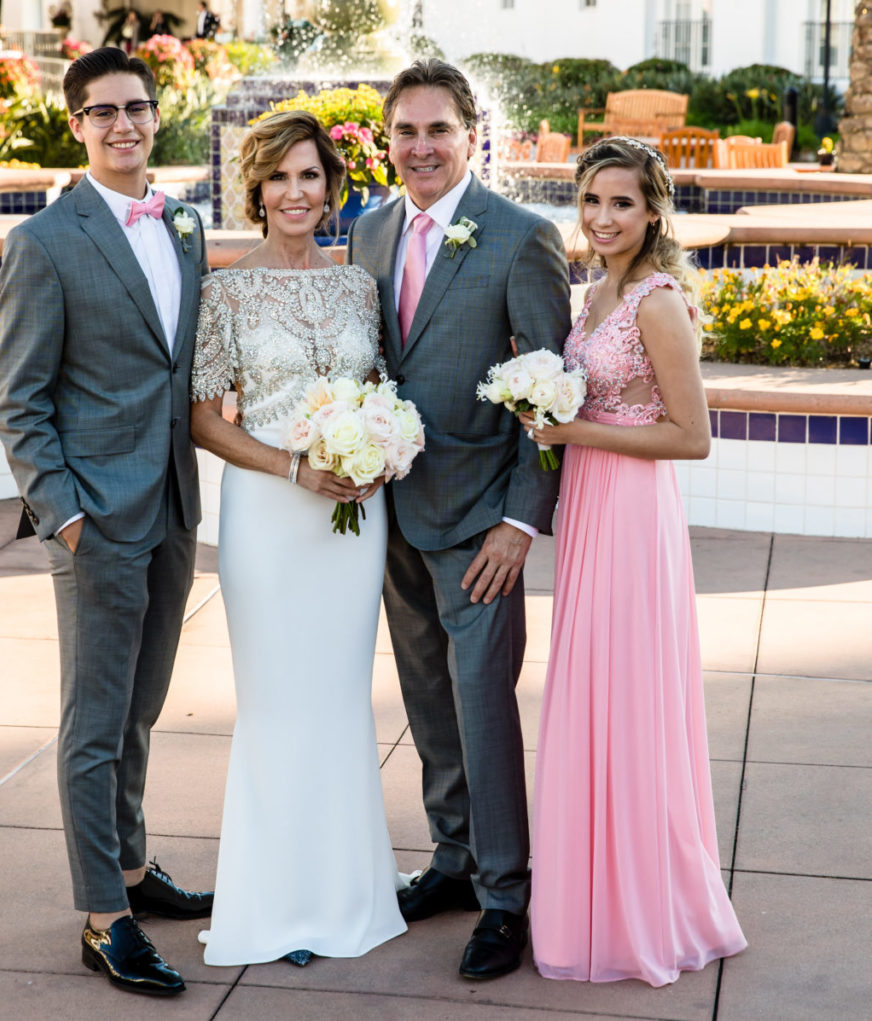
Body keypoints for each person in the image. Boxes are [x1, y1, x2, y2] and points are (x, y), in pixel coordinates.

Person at [0, 46, 213, 998]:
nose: (124, 124)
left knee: (143, 706)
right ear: (76, 123)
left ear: (155, 114)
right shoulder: (45, 241)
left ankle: (130, 864)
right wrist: (65, 516)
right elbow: (19, 401)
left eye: (138, 107)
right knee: (94, 722)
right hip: (95, 517)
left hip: (170, 504)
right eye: (104, 112)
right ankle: (102, 915)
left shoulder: (187, 225)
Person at [347, 59, 571, 981]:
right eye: (405, 131)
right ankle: (450, 858)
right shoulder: (367, 230)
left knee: (482, 708)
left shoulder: (522, 238)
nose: (421, 147)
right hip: (388, 511)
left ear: (472, 136)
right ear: (387, 140)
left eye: (438, 130)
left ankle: (506, 894)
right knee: (427, 698)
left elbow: (551, 395)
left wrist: (519, 523)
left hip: (481, 522)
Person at [524, 136, 747, 986]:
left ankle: (643, 906)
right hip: (588, 502)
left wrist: (569, 429)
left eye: (622, 202)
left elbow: (693, 438)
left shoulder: (657, 299)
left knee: (627, 693)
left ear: (653, 209)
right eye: (591, 201)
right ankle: (590, 894)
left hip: (633, 508)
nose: (604, 217)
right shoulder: (593, 294)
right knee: (588, 690)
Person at [190, 110, 407, 967]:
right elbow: (206, 419)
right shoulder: (226, 291)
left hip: (354, 522)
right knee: (278, 703)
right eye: (279, 177)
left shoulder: (359, 285)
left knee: (340, 698)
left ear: (330, 190)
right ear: (258, 190)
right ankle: (275, 902)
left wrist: (384, 449)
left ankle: (348, 893)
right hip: (271, 519)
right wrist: (294, 467)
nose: (294, 192)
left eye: (309, 176)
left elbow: (384, 388)